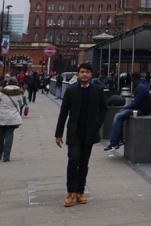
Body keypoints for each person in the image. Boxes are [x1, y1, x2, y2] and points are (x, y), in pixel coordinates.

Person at [55, 62, 107, 207]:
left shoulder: (98, 90)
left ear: (91, 75)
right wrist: (58, 134)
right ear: (78, 74)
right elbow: (63, 113)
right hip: (74, 132)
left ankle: (80, 192)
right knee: (73, 159)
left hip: (89, 133)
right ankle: (70, 192)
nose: (84, 74)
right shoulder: (71, 91)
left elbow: (104, 109)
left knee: (84, 163)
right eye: (82, 72)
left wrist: (98, 123)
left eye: (87, 72)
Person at [104, 72, 151, 151]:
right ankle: (118, 140)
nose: (130, 79)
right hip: (141, 108)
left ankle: (114, 142)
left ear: (133, 78)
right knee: (119, 116)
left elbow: (137, 102)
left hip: (141, 110)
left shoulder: (140, 87)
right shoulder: (141, 85)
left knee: (118, 116)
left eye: (131, 78)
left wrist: (125, 107)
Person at [0, 77, 24, 162]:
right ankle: (6, 156)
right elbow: (21, 104)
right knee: (9, 136)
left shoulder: (2, 92)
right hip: (12, 117)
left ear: (8, 83)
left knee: (0, 136)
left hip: (1, 116)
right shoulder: (19, 93)